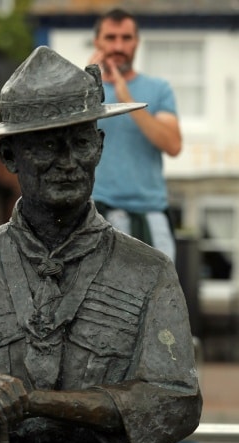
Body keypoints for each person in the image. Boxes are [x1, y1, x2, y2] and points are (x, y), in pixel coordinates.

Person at [0, 46, 202, 443]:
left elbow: (174, 398)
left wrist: (36, 402)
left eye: (81, 142)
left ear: (100, 147)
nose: (68, 161)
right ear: (9, 154)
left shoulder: (147, 270)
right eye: (48, 145)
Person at [88, 8, 182, 262]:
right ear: (97, 41)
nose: (118, 46)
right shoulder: (80, 90)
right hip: (97, 214)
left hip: (150, 214)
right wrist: (85, 87)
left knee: (160, 298)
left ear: (137, 42)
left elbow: (173, 144)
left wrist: (127, 100)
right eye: (111, 38)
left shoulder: (158, 89)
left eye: (126, 38)